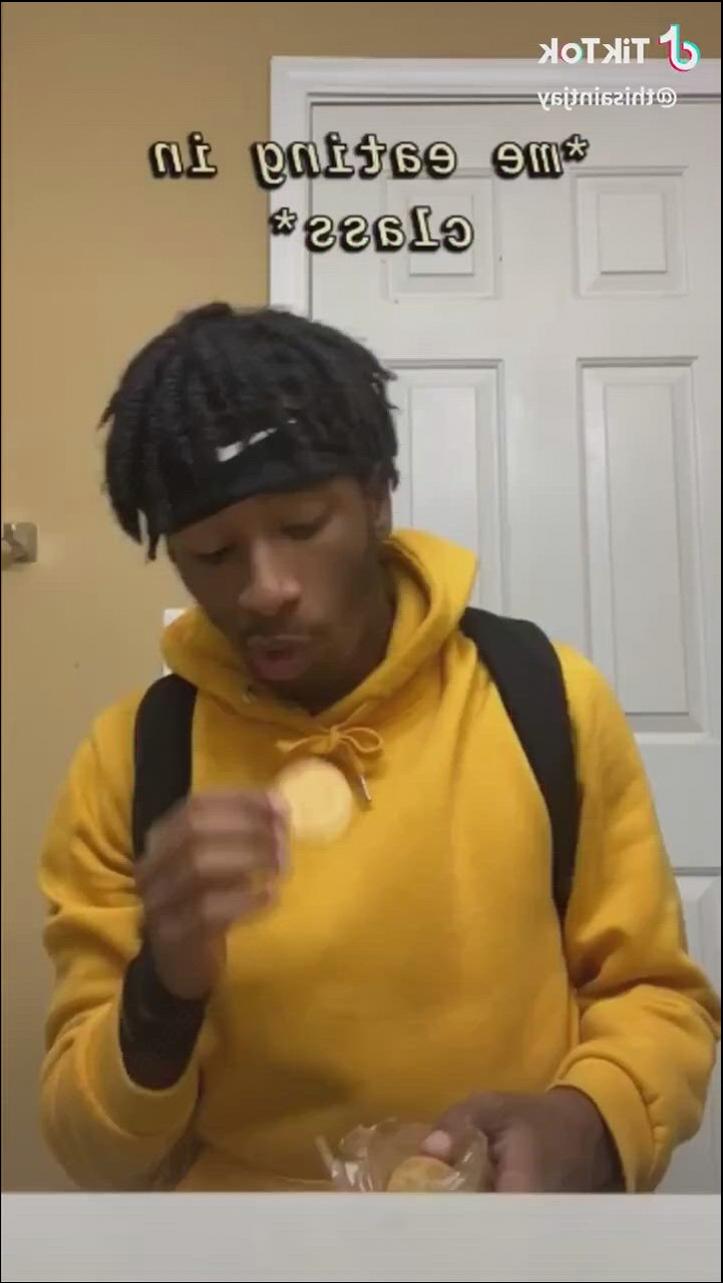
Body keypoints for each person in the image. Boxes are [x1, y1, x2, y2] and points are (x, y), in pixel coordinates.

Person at [39, 303, 719, 1194]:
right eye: (212, 552)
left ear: (376, 496)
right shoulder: (134, 760)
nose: (264, 589)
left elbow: (656, 998)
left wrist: (588, 1120)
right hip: (250, 1244)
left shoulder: (544, 697)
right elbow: (91, 1150)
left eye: (300, 528)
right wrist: (161, 992)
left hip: (506, 1231)